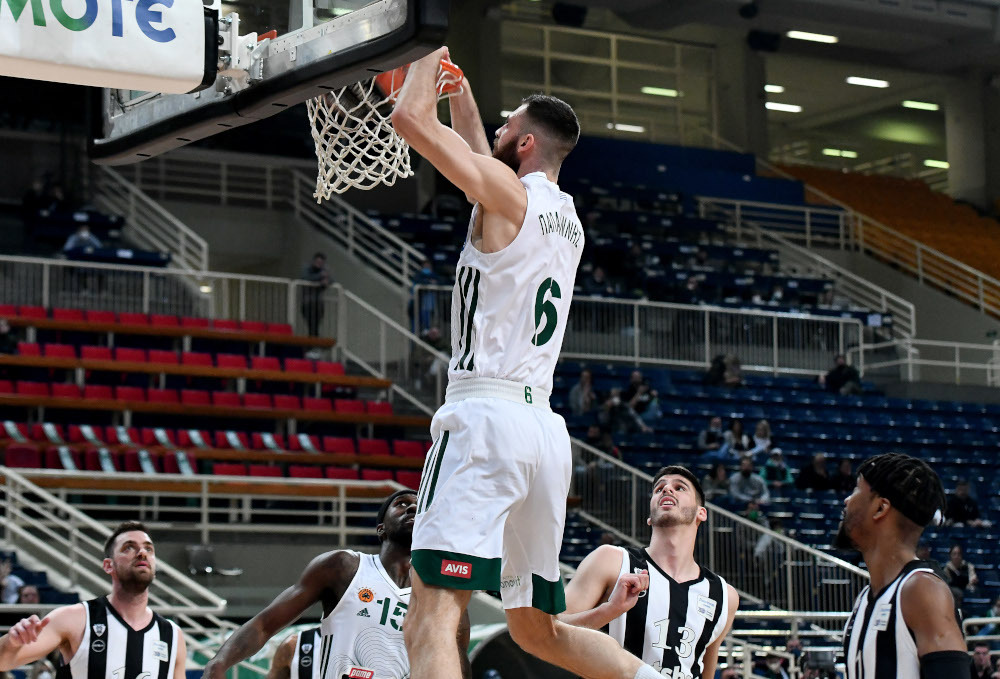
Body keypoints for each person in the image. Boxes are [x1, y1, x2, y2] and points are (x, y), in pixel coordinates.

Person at [391, 48, 664, 679]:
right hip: (543, 432)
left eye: (505, 125)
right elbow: (479, 171)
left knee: (429, 616)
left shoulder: (508, 196)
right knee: (538, 630)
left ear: (526, 143)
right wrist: (461, 95)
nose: (495, 129)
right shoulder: (564, 216)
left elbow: (409, 120)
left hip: (483, 419)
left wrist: (424, 58)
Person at [202, 490, 461, 679]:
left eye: (419, 505)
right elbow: (264, 624)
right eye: (401, 504)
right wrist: (220, 662)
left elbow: (459, 662)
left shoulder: (441, 593)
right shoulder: (343, 567)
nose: (412, 508)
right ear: (381, 529)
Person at [559, 466, 738, 679]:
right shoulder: (611, 561)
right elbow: (552, 631)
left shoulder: (724, 595)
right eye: (659, 489)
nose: (667, 490)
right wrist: (609, 610)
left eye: (679, 487)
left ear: (701, 513)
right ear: (650, 517)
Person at [834, 453, 967, 678]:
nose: (847, 500)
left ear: (880, 508)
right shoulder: (865, 598)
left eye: (857, 490)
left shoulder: (922, 589)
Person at [0, 521, 186, 679]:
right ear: (108, 565)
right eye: (129, 547)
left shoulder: (172, 635)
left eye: (148, 548)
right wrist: (12, 642)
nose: (142, 552)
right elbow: (3, 661)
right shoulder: (75, 619)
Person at [300, 253, 330, 338]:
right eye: (317, 262)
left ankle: (314, 341)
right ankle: (313, 341)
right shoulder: (307, 268)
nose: (319, 264)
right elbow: (306, 278)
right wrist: (320, 277)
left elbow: (330, 280)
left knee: (316, 324)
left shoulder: (324, 270)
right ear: (314, 261)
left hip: (318, 303)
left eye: (321, 263)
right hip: (308, 302)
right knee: (311, 323)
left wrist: (325, 282)